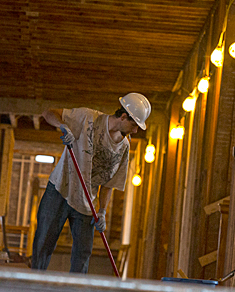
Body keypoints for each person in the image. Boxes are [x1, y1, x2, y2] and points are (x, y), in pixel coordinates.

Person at [30, 92, 151, 273]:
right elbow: (48, 113)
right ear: (123, 116)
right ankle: (33, 287)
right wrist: (64, 127)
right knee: (43, 244)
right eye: (134, 125)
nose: (135, 131)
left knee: (82, 256)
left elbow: (110, 182)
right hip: (60, 190)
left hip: (87, 203)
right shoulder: (87, 118)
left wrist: (102, 211)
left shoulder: (124, 147)